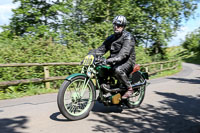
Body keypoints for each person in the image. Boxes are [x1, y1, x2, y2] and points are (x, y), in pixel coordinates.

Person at [92, 15, 135, 99]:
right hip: (114, 60)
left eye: (118, 25)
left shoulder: (128, 37)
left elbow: (123, 54)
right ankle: (106, 89)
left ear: (123, 27)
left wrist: (108, 61)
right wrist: (90, 56)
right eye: (115, 25)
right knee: (100, 69)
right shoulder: (111, 38)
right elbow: (101, 50)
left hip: (127, 61)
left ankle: (129, 88)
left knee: (118, 70)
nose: (116, 27)